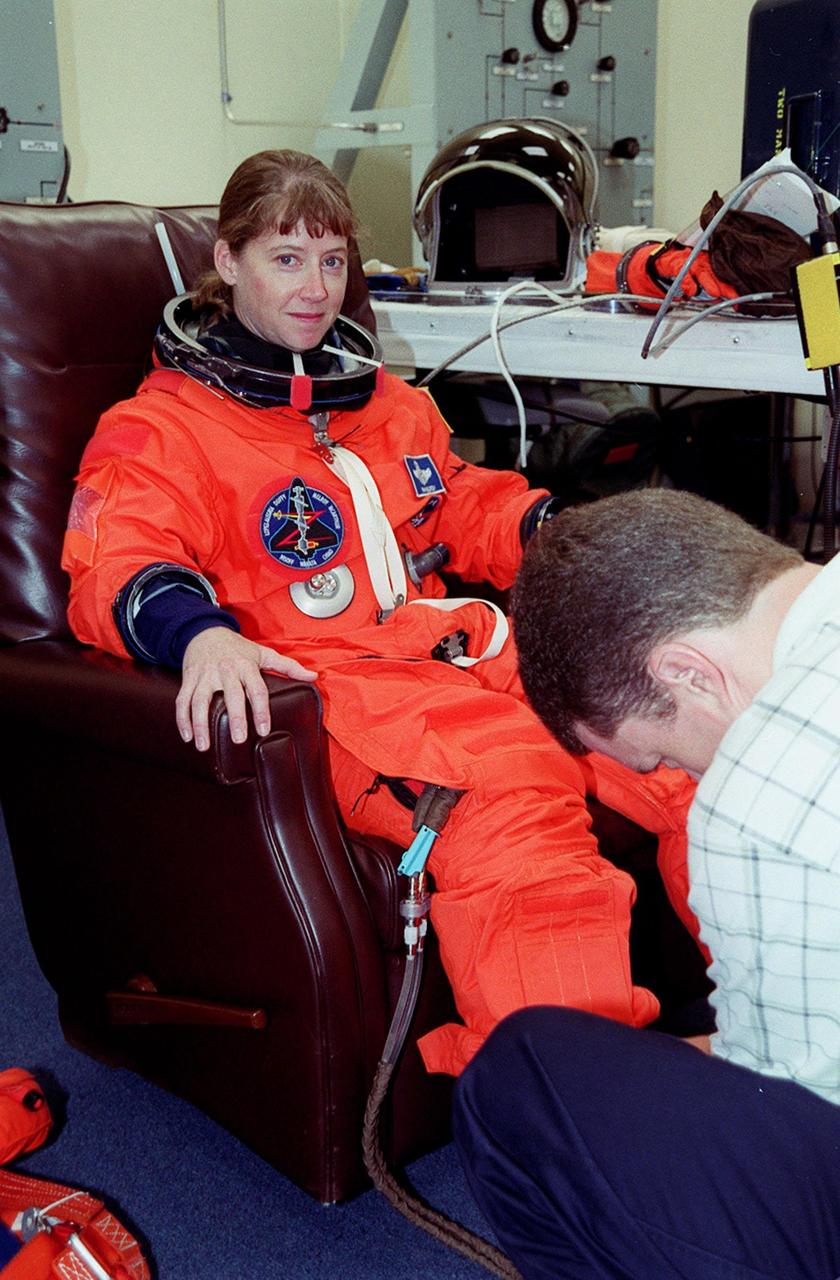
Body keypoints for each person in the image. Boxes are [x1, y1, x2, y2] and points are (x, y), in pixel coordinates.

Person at [61, 150, 697, 1077]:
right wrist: (198, 634)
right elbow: (116, 562)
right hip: (334, 690)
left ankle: (778, 1015)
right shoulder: (162, 429)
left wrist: (558, 531)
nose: (316, 288)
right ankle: (573, 1107)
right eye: (285, 258)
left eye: (331, 260)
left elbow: (460, 502)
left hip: (454, 653)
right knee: (518, 792)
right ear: (228, 260)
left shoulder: (384, 403)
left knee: (686, 730)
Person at [453, 487, 840, 1279]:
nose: (678, 775)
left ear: (688, 674)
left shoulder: (754, 803)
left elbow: (797, 1105)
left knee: (519, 1072)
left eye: (661, 754)